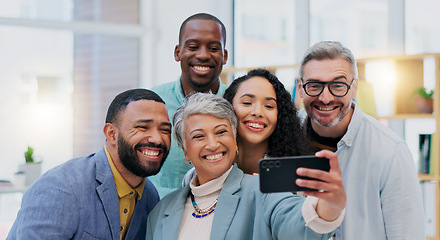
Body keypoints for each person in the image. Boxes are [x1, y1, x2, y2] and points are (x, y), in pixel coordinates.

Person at [146, 93, 346, 240]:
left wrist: (329, 206)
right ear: (186, 151)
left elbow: (301, 228)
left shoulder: (262, 191)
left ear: (234, 141)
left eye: (221, 132)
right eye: (198, 136)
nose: (213, 144)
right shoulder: (161, 210)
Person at [296, 41, 425, 239]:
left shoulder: (391, 151)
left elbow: (407, 233)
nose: (325, 97)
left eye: (338, 86)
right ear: (300, 87)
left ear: (354, 88)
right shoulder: (284, 134)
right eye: (314, 85)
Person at [7, 89, 172, 240]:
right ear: (111, 134)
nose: (157, 139)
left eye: (165, 130)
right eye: (142, 127)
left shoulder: (150, 196)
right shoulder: (62, 186)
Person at [149, 13, 229, 198]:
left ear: (224, 56)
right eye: (193, 47)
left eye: (213, 48)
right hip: (158, 215)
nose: (203, 55)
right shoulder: (152, 102)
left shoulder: (237, 103)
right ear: (177, 52)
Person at [223, 68, 312, 174]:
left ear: (280, 115)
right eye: (247, 103)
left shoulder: (297, 172)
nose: (257, 112)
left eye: (269, 106)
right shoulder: (213, 163)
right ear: (229, 106)